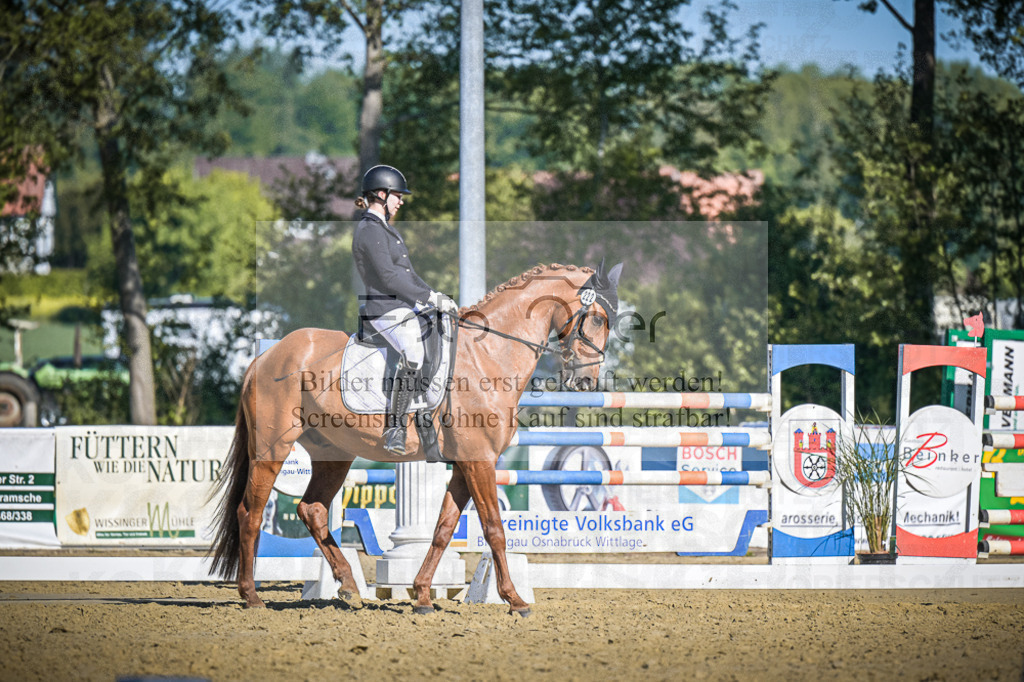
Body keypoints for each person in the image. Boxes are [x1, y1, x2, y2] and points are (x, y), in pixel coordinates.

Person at [351, 165, 459, 457]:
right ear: (380, 194)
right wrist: (426, 297)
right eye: (397, 196)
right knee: (413, 351)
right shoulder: (370, 230)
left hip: (402, 306)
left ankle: (424, 416)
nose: (401, 201)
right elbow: (388, 278)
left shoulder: (388, 231)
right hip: (383, 309)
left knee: (440, 337)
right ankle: (395, 428)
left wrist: (436, 297)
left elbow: (408, 275)